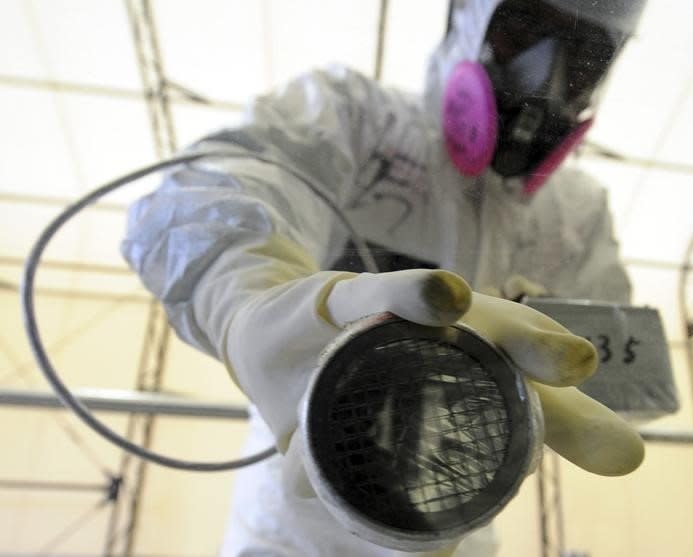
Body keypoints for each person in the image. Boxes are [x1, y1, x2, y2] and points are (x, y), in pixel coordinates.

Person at [121, 0, 648, 555]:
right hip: (293, 535)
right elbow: (217, 187)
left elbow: (629, 385)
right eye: (523, 27)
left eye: (586, 52)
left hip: (458, 529)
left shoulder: (575, 214)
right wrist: (241, 291)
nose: (549, 74)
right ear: (464, 20)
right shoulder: (355, 121)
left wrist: (565, 338)